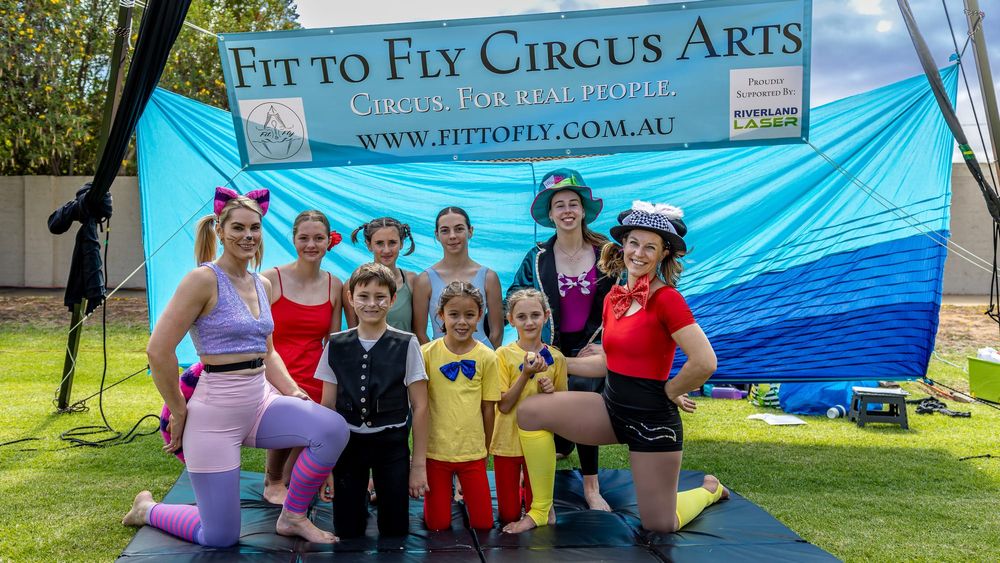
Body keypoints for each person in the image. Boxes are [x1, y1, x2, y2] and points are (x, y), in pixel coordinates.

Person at [122, 187, 350, 546]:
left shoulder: (260, 282)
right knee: (219, 536)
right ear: (220, 231)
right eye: (239, 228)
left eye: (255, 228)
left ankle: (292, 516)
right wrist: (179, 412)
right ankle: (148, 509)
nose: (248, 236)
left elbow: (269, 352)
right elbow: (158, 351)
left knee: (332, 429)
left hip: (260, 403)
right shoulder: (202, 279)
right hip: (215, 416)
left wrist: (292, 391)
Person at [516, 201, 728, 534]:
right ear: (623, 245)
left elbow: (705, 361)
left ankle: (708, 491)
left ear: (662, 256)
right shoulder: (616, 295)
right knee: (529, 412)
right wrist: (557, 360)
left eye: (650, 247)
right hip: (610, 410)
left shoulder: (666, 299)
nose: (639, 253)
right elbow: (608, 363)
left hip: (652, 422)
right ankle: (541, 510)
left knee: (660, 524)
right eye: (633, 243)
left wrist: (670, 390)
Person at [506, 168, 614, 511]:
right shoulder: (537, 257)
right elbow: (515, 295)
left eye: (572, 204)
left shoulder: (608, 253)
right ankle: (538, 480)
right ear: (550, 215)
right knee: (533, 393)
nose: (567, 211)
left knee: (582, 393)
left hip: (590, 349)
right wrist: (531, 324)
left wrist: (608, 339)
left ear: (583, 209)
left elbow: (627, 298)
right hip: (546, 348)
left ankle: (591, 485)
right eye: (559, 206)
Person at [315, 263, 429, 537]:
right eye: (363, 296)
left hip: (392, 446)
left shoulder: (407, 343)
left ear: (392, 300)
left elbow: (421, 405)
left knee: (395, 529)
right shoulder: (336, 343)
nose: (371, 304)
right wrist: (324, 465)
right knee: (347, 528)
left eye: (380, 297)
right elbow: (327, 407)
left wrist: (419, 466)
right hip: (348, 446)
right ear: (351, 299)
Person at [260, 210, 344, 505]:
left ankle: (289, 477)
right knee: (288, 415)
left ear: (328, 242)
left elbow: (332, 342)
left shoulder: (335, 285)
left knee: (300, 477)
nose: (311, 244)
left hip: (316, 373)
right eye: (304, 238)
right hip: (276, 371)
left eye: (318, 238)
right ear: (293, 239)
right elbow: (257, 333)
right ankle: (272, 479)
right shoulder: (271, 279)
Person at [420, 281, 500, 530]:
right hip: (436, 452)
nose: (461, 322)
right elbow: (419, 407)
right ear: (441, 315)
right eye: (454, 315)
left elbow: (489, 408)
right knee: (437, 525)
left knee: (484, 524)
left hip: (472, 452)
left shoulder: (487, 357)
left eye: (469, 315)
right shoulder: (426, 354)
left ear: (480, 315)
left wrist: (485, 449)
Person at [492, 289, 567, 532]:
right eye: (521, 316)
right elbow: (503, 405)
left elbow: (563, 412)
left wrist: (550, 393)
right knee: (508, 514)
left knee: (540, 510)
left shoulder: (556, 358)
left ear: (546, 316)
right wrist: (526, 374)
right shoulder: (502, 355)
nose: (529, 322)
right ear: (511, 319)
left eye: (535, 315)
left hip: (540, 446)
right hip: (507, 442)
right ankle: (523, 491)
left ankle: (535, 495)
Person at [414, 207, 503, 349]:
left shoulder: (489, 278)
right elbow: (419, 333)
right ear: (437, 235)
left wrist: (487, 359)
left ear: (470, 231)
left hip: (482, 360)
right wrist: (432, 360)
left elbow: (497, 332)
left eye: (459, 229)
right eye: (445, 230)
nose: (452, 236)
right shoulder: (424, 280)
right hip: (440, 361)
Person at [344, 217, 418, 332]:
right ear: (369, 245)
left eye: (392, 243)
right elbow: (352, 333)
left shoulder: (412, 281)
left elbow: (418, 332)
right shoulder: (352, 284)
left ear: (401, 243)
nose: (387, 250)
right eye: (379, 243)